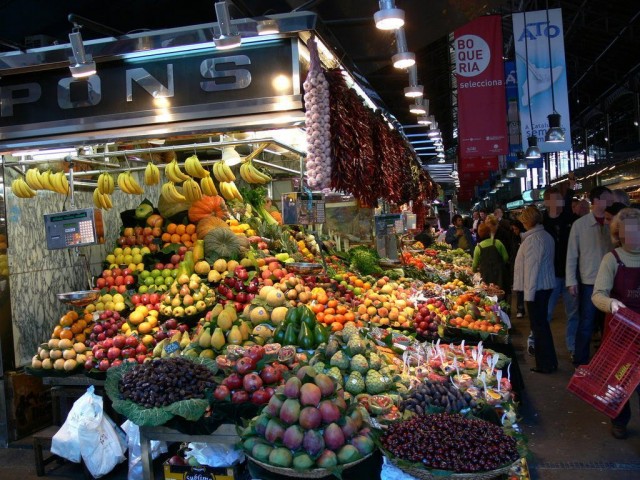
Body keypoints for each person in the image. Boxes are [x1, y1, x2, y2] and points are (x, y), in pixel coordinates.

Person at [591, 208, 640, 439]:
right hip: (620, 328)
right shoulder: (612, 259)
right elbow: (598, 294)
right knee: (619, 378)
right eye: (625, 231)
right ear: (617, 233)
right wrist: (611, 304)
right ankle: (619, 420)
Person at [566, 186, 613, 367]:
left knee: (607, 325)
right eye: (608, 199)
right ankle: (581, 362)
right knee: (586, 323)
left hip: (612, 281)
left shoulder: (614, 222)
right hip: (589, 282)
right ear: (597, 200)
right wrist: (571, 281)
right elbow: (572, 255)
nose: (610, 202)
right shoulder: (581, 225)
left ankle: (607, 363)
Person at [513, 206, 557, 373]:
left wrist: (528, 295)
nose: (522, 222)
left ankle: (544, 364)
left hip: (537, 289)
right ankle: (550, 361)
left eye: (523, 219)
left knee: (538, 327)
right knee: (542, 326)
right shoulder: (545, 236)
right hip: (543, 287)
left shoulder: (533, 240)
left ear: (529, 221)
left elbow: (532, 269)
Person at [541, 182, 580, 361]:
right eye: (555, 199)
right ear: (547, 202)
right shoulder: (542, 221)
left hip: (570, 274)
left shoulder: (567, 218)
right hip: (551, 274)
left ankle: (572, 347)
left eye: (560, 199)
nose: (559, 202)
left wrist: (571, 188)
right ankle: (539, 342)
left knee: (573, 314)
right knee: (546, 313)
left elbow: (569, 200)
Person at [472, 223, 509, 289]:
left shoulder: (478, 247)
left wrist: (474, 271)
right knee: (500, 292)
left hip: (486, 276)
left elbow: (474, 265)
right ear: (489, 232)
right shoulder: (498, 242)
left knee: (488, 293)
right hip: (499, 275)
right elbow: (506, 257)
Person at [510, 220, 526, 318]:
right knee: (520, 289)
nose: (515, 231)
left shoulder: (524, 237)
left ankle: (522, 309)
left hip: (525, 265)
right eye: (513, 229)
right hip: (517, 266)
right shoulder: (513, 238)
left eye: (516, 229)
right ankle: (520, 309)